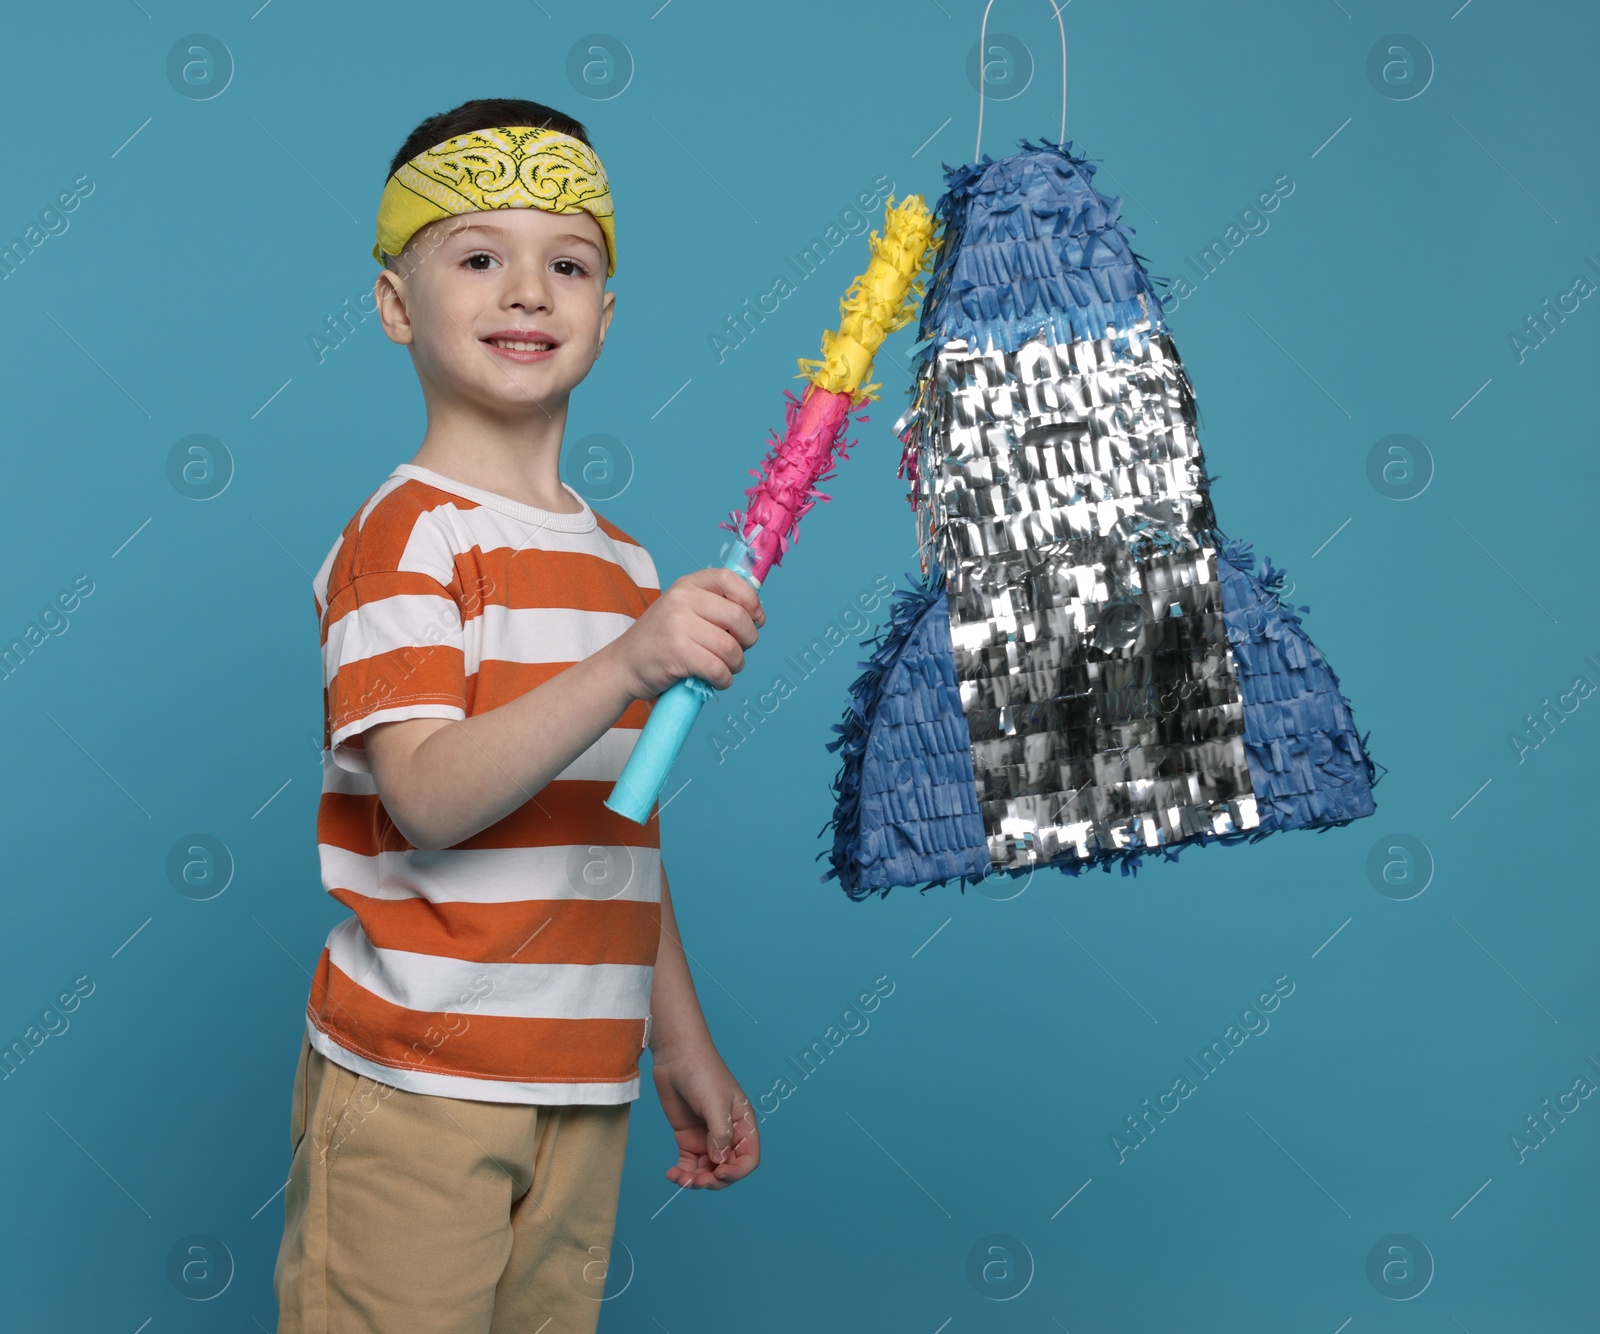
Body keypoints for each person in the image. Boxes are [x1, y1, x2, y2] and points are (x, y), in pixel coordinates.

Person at [273, 96, 763, 1333]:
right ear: (396, 306)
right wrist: (624, 666)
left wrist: (678, 1041)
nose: (528, 291)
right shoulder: (407, 539)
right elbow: (428, 795)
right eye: (478, 256)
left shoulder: (624, 565)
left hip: (584, 1086)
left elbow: (615, 834)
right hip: (414, 1087)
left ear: (606, 309)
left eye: (569, 262)